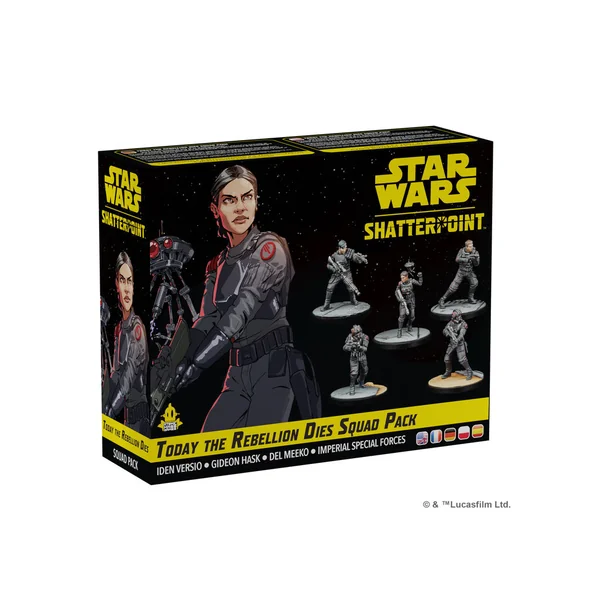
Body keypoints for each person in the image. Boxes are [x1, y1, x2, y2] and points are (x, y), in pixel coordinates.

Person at [173, 165, 320, 431]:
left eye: (247, 197)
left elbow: (240, 311)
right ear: (215, 209)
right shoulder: (216, 264)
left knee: (258, 444)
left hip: (274, 368)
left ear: (256, 202)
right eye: (230, 200)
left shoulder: (269, 248)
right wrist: (179, 359)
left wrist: (197, 364)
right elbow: (206, 320)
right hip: (237, 374)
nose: (241, 208)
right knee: (208, 442)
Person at [104, 252, 150, 434]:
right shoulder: (119, 329)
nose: (127, 289)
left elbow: (129, 374)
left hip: (140, 419)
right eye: (122, 280)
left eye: (129, 281)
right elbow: (117, 372)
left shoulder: (136, 327)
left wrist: (110, 410)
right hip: (126, 418)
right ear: (116, 284)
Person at [322, 240, 368, 310]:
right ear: (339, 248)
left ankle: (353, 300)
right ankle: (326, 305)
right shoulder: (334, 255)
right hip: (336, 274)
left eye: (346, 247)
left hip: (346, 273)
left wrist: (360, 258)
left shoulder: (348, 253)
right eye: (344, 248)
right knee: (329, 288)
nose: (345, 249)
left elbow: (354, 257)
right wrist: (334, 269)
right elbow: (328, 265)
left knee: (350, 287)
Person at [439, 240, 480, 307]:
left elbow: (476, 264)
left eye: (472, 246)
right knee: (453, 287)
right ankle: (442, 299)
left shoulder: (475, 252)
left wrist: (475, 259)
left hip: (469, 271)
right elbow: (457, 259)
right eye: (470, 246)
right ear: (466, 247)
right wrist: (466, 259)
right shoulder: (461, 251)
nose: (472, 248)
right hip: (461, 271)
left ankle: (470, 298)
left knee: (475, 283)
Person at [441, 309, 472, 380]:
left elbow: (462, 334)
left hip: (459, 343)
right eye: (457, 316)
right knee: (447, 359)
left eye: (459, 316)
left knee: (462, 360)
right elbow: (444, 330)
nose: (459, 317)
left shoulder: (463, 324)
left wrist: (457, 340)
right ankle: (448, 372)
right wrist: (449, 334)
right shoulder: (451, 322)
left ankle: (469, 371)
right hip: (452, 342)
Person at [395, 270, 423, 336]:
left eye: (403, 278)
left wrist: (420, 277)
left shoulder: (411, 281)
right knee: (402, 316)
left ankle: (409, 324)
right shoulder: (400, 283)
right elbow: (396, 292)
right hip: (403, 300)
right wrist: (399, 299)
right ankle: (399, 330)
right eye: (401, 278)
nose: (402, 279)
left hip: (411, 300)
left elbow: (420, 284)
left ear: (407, 276)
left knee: (412, 316)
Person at [343, 325, 369, 395]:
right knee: (354, 373)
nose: (355, 336)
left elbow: (365, 348)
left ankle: (360, 381)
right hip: (353, 356)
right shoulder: (350, 337)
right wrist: (351, 347)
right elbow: (344, 347)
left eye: (356, 334)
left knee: (365, 371)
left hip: (362, 355)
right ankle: (352, 387)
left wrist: (359, 347)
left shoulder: (365, 337)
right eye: (354, 334)